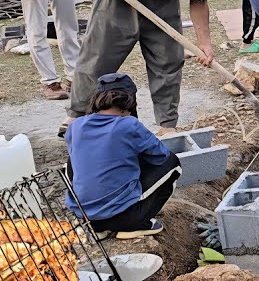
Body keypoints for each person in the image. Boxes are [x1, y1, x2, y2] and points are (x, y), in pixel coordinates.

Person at [64, 0, 228, 135]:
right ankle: (75, 116)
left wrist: (204, 43)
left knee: (168, 59)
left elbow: (199, 2)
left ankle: (167, 125)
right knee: (98, 56)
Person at [64, 72, 181, 239]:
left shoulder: (75, 126)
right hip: (124, 219)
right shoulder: (129, 125)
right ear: (130, 101)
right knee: (173, 163)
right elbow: (161, 156)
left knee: (73, 159)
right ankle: (138, 223)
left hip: (85, 218)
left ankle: (98, 228)